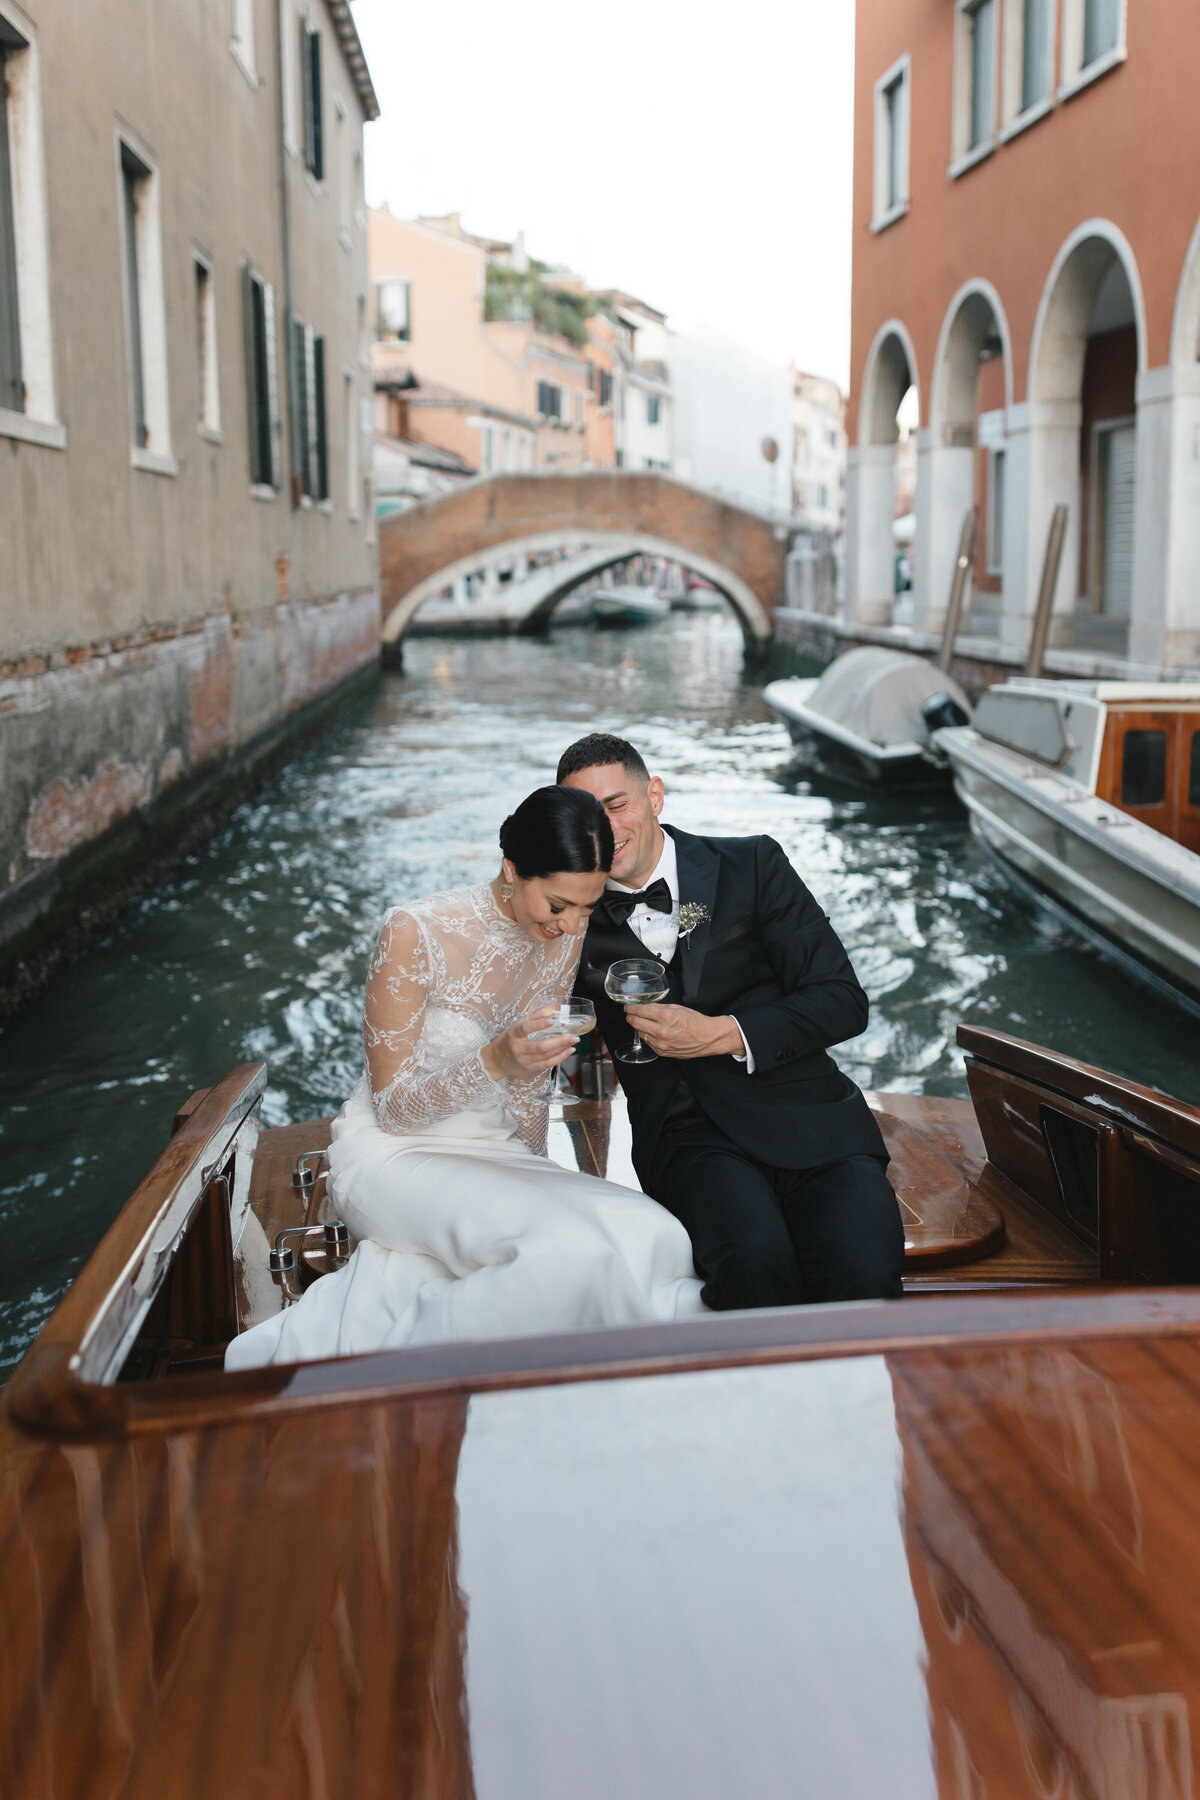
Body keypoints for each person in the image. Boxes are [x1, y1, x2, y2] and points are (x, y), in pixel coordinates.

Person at [225, 785, 705, 1370]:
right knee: (563, 1255)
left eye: (588, 906)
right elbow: (395, 1107)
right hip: (393, 1152)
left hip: (494, 1149)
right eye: (559, 905)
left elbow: (531, 1087)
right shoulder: (412, 932)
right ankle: (415, 1375)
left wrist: (539, 1171)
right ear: (511, 869)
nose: (575, 925)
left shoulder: (560, 938)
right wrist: (498, 1061)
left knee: (654, 1234)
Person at [559, 733, 905, 1312]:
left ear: (655, 796)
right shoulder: (570, 914)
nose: (604, 829)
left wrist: (722, 1033)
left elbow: (843, 999)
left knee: (863, 1268)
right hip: (687, 1136)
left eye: (617, 806)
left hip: (811, 1119)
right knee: (752, 1264)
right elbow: (536, 1013)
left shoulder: (752, 863)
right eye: (584, 816)